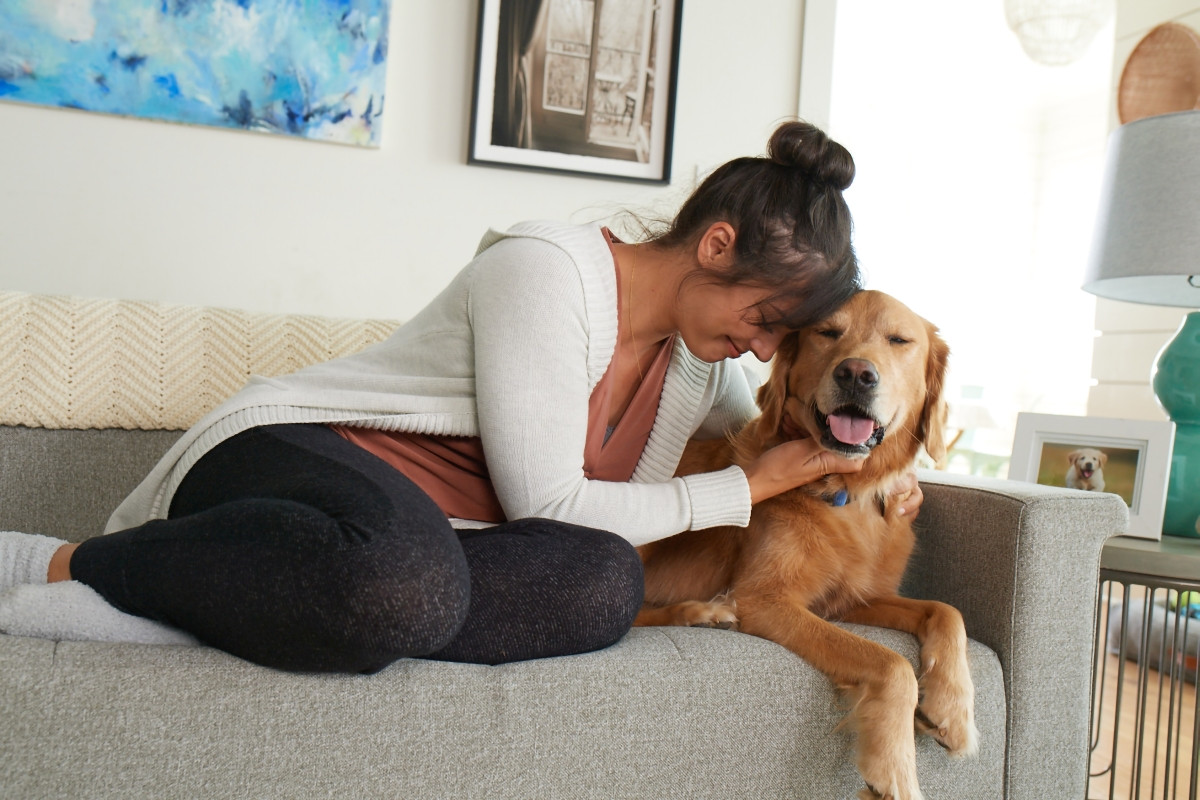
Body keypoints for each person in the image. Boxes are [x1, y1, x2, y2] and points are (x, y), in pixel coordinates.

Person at [0, 119, 914, 674]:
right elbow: (547, 504)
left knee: (603, 585)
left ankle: (277, 605)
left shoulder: (696, 366)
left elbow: (784, 432)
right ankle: (71, 566)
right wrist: (744, 491)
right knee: (406, 582)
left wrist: (896, 483)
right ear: (716, 247)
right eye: (765, 318)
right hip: (293, 456)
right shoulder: (546, 271)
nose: (762, 349)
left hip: (407, 543)